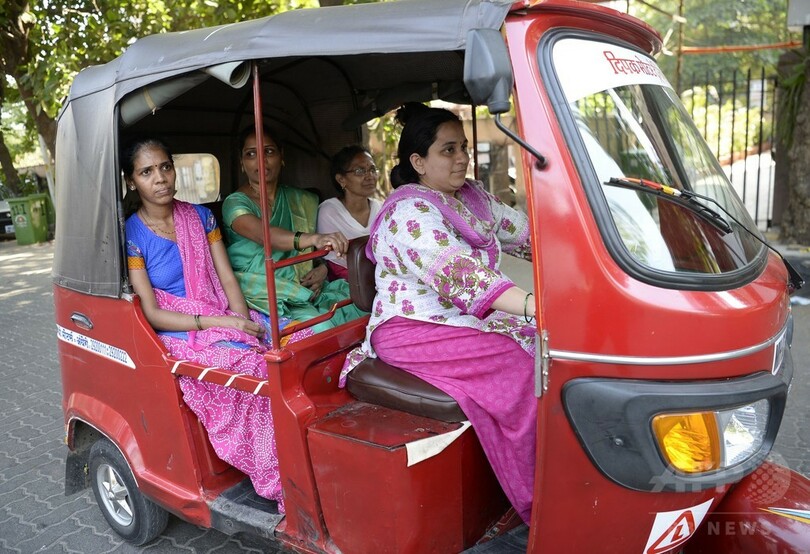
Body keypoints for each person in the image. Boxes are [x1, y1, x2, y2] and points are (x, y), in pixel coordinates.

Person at [339, 103, 537, 522]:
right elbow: (458, 274)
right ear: (418, 162)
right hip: (413, 328)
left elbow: (524, 233)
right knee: (522, 366)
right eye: (448, 150)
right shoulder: (408, 212)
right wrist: (530, 304)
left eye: (463, 146)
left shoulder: (471, 197)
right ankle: (536, 497)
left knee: (548, 345)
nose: (462, 157)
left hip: (464, 319)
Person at [124, 137, 307, 511]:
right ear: (132, 182)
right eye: (146, 172)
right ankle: (284, 476)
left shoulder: (202, 217)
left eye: (164, 167)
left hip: (224, 314)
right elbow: (153, 313)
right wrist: (218, 324)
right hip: (181, 333)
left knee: (298, 340)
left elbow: (226, 280)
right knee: (256, 371)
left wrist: (240, 321)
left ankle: (315, 450)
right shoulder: (134, 235)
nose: (159, 179)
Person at [222, 126, 366, 333]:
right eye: (251, 154)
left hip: (304, 286)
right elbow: (265, 236)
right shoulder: (234, 204)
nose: (261, 160)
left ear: (281, 156)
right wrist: (314, 238)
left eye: (269, 151)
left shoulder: (300, 199)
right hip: (263, 290)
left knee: (361, 307)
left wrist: (321, 270)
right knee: (322, 328)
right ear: (242, 163)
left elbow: (312, 256)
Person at [317, 145, 383, 280]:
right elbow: (335, 262)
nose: (370, 176)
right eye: (360, 171)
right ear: (341, 179)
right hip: (348, 284)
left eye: (372, 169)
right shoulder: (329, 211)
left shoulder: (380, 208)